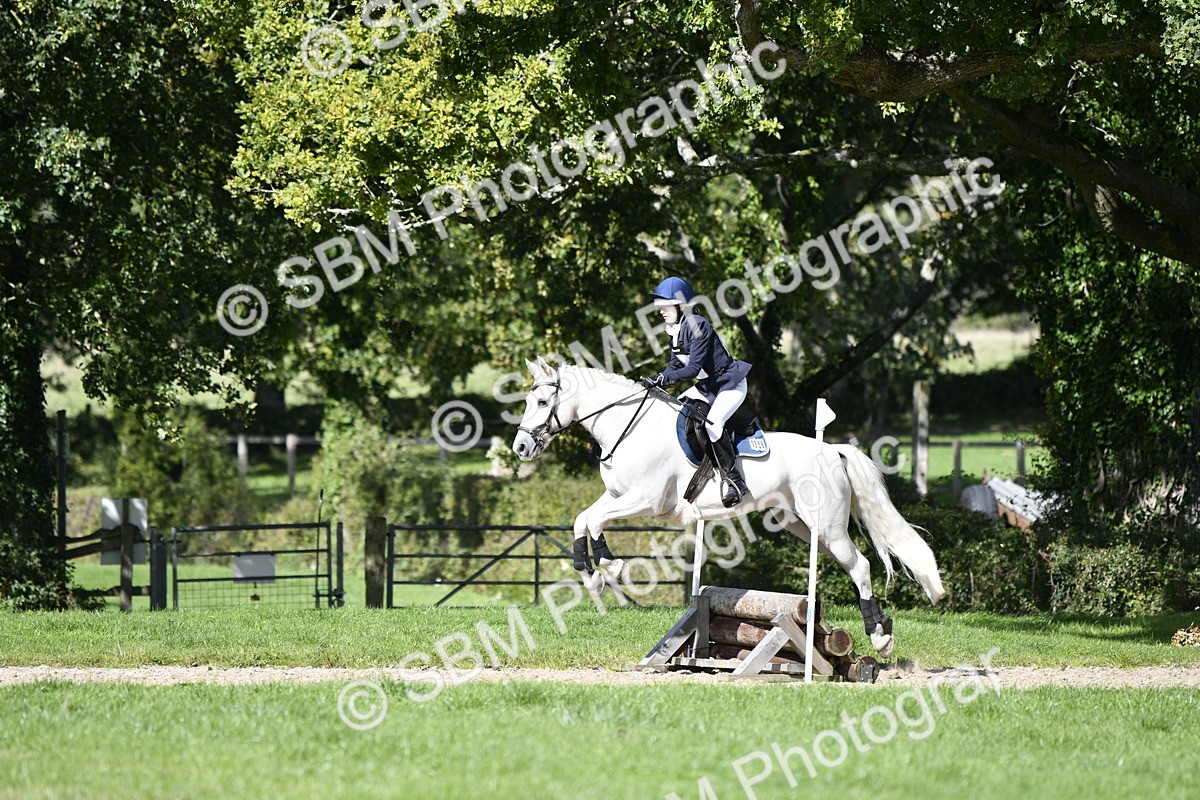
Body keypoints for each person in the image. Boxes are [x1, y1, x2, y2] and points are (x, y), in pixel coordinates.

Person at [642, 276, 752, 507]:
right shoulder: (676, 329)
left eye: (665, 305)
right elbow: (675, 366)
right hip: (708, 386)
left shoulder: (698, 324)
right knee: (675, 411)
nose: (660, 311)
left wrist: (664, 378)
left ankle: (734, 480)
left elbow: (692, 368)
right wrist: (656, 381)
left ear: (680, 305)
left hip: (729, 384)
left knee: (712, 424)